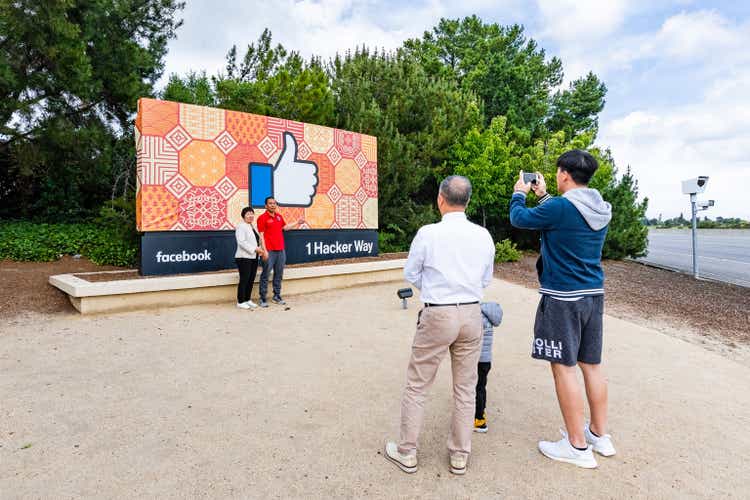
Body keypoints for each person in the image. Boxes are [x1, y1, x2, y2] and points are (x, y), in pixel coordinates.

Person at [509, 149, 615, 469]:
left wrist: (519, 193)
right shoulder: (599, 207)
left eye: (557, 174)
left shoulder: (559, 208)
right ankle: (599, 435)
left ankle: (576, 446)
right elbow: (562, 222)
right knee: (591, 365)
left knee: (563, 367)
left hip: (563, 298)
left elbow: (519, 219)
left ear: (564, 175)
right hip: (593, 295)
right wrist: (542, 197)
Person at [384, 175, 495, 476]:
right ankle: (459, 455)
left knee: (418, 384)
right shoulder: (483, 235)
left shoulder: (428, 233)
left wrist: (435, 291)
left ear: (440, 199)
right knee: (466, 387)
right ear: (468, 201)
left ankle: (407, 451)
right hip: (473, 313)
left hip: (438, 312)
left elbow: (412, 272)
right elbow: (486, 278)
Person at [256, 196, 304, 308]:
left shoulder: (278, 216)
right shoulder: (262, 218)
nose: (273, 205)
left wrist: (297, 222)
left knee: (279, 274)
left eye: (274, 203)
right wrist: (264, 250)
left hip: (280, 250)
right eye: (270, 203)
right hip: (269, 251)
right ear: (265, 206)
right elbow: (261, 235)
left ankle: (276, 296)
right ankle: (263, 298)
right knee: (265, 274)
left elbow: (285, 227)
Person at [473, 301, 503, 433]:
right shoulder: (490, 315)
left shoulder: (474, 314)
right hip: (486, 360)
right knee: (481, 387)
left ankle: (474, 417)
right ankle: (480, 418)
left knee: (469, 388)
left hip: (473, 359)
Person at [235, 207, 266, 309]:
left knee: (251, 279)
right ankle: (240, 301)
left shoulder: (252, 226)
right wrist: (255, 249)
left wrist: (260, 250)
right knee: (244, 279)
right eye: (248, 214)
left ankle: (247, 299)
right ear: (243, 215)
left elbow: (257, 241)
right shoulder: (241, 226)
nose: (251, 216)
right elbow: (241, 242)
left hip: (253, 257)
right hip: (244, 257)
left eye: (252, 214)